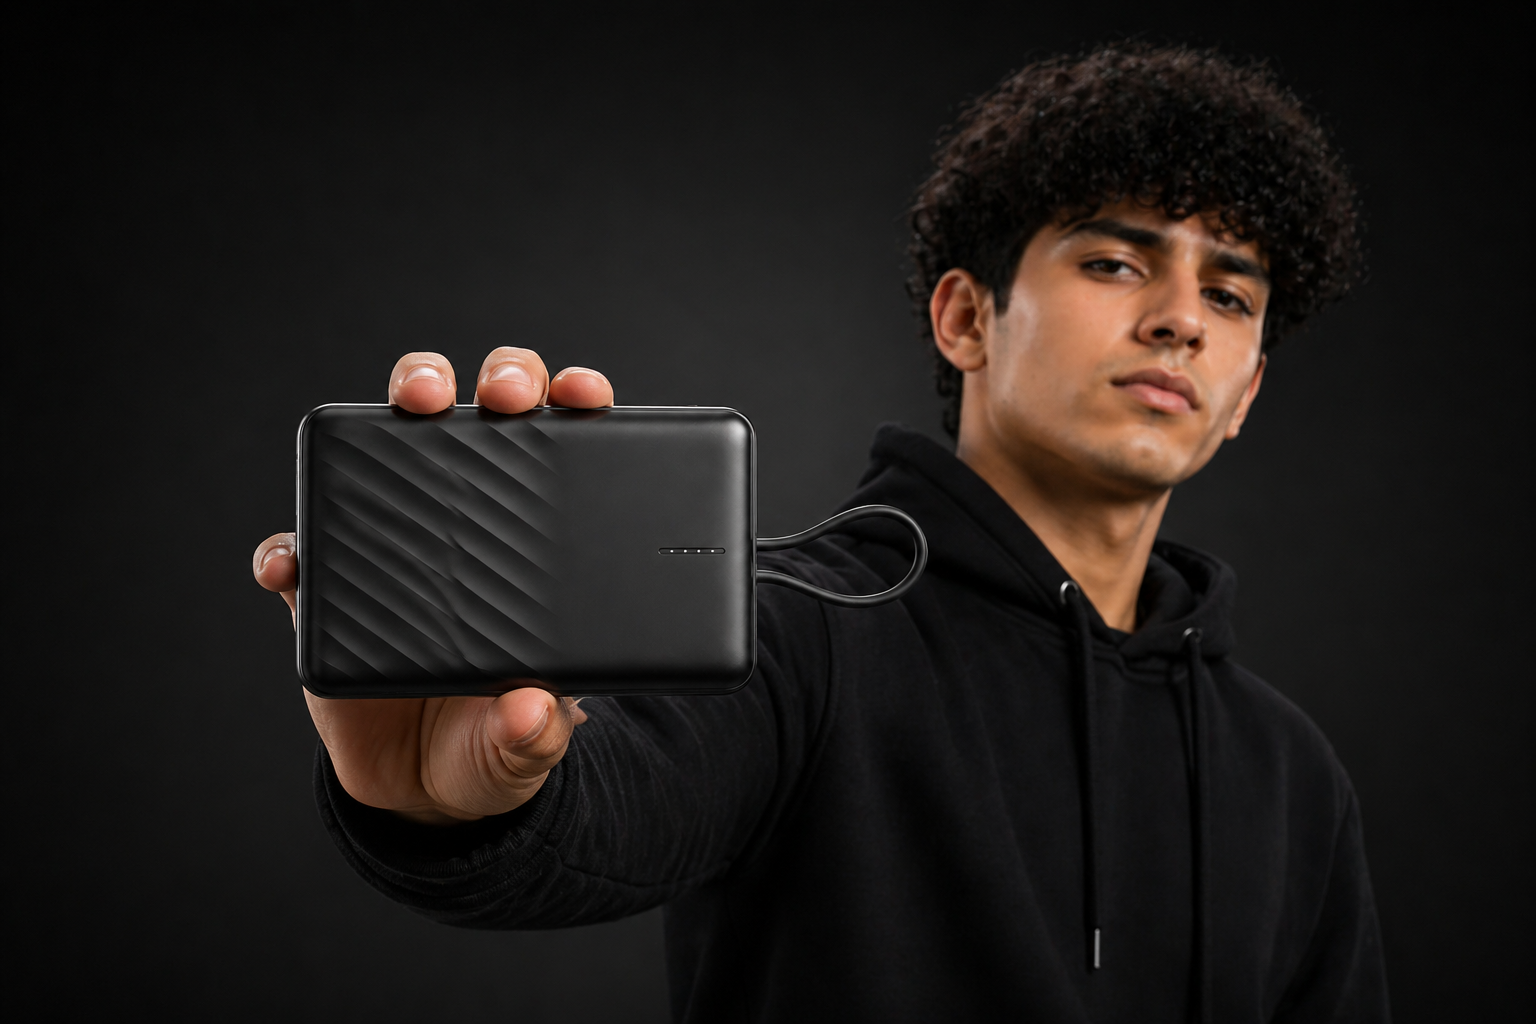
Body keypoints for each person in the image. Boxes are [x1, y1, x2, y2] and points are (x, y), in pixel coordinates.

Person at [251, 44, 1389, 1022]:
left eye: (1230, 296)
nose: (1181, 318)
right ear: (966, 317)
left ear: (1246, 392)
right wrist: (447, 808)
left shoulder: (1290, 773)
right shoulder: (793, 632)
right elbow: (609, 815)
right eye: (1114, 262)